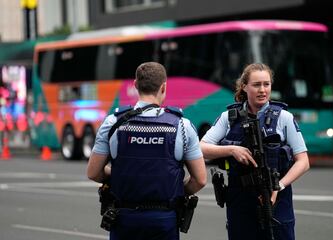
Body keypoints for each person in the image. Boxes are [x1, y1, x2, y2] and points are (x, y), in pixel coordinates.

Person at [87, 62, 207, 240]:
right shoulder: (182, 126)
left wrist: (121, 175)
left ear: (135, 85)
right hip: (164, 219)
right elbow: (200, 180)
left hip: (123, 218)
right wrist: (172, 188)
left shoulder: (113, 123)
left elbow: (93, 172)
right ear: (164, 87)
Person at [200, 63, 310, 240]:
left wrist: (278, 187)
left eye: (266, 84)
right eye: (256, 84)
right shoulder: (229, 117)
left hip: (276, 198)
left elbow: (303, 162)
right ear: (244, 86)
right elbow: (201, 148)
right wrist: (232, 149)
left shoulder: (284, 117)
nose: (262, 90)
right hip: (240, 200)